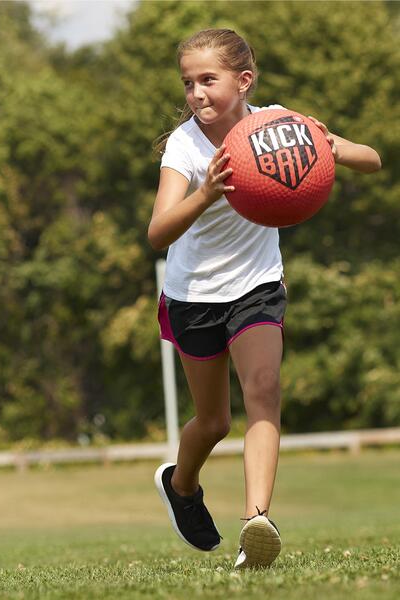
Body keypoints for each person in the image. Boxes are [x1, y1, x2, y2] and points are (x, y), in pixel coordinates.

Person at [149, 28, 381, 569]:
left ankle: (257, 523)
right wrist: (205, 192)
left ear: (244, 81)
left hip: (256, 286)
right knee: (212, 423)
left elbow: (370, 159)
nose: (196, 93)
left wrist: (329, 144)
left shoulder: (278, 127)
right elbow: (158, 232)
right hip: (193, 296)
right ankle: (181, 485)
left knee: (265, 388)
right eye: (188, 83)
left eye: (208, 80)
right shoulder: (185, 145)